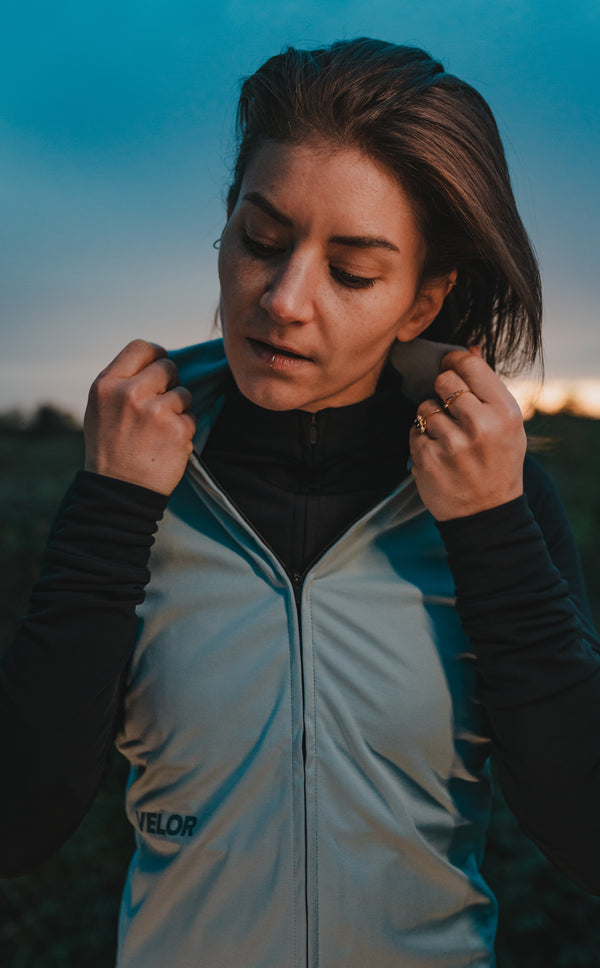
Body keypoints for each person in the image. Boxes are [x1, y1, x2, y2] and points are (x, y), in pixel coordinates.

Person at [2, 37, 600, 968]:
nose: (282, 300)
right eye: (262, 241)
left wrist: (490, 527)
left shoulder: (493, 495)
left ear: (420, 301)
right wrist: (109, 512)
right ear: (226, 226)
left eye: (352, 272)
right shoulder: (135, 477)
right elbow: (19, 823)